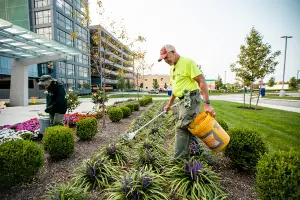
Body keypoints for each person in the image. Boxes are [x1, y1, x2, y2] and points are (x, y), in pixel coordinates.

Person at [158, 44, 216, 158]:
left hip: (190, 98)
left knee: (181, 126)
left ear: (173, 52)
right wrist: (169, 104)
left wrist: (207, 104)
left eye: (166, 57)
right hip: (183, 100)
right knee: (189, 125)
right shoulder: (172, 69)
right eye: (163, 58)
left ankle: (178, 159)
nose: (165, 60)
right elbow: (175, 89)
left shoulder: (188, 63)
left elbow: (201, 80)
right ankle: (196, 152)